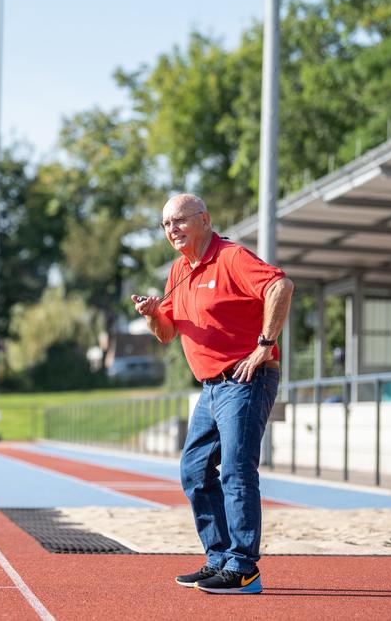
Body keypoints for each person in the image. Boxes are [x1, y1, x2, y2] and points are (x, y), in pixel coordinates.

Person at [132, 193, 292, 595]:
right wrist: (153, 315)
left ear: (204, 218)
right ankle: (219, 558)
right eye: (166, 224)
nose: (172, 229)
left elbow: (281, 286)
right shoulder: (178, 271)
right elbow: (168, 333)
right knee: (194, 469)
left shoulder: (232, 258)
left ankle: (243, 569)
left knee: (236, 471)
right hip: (211, 387)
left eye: (179, 221)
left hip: (245, 380)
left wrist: (263, 344)